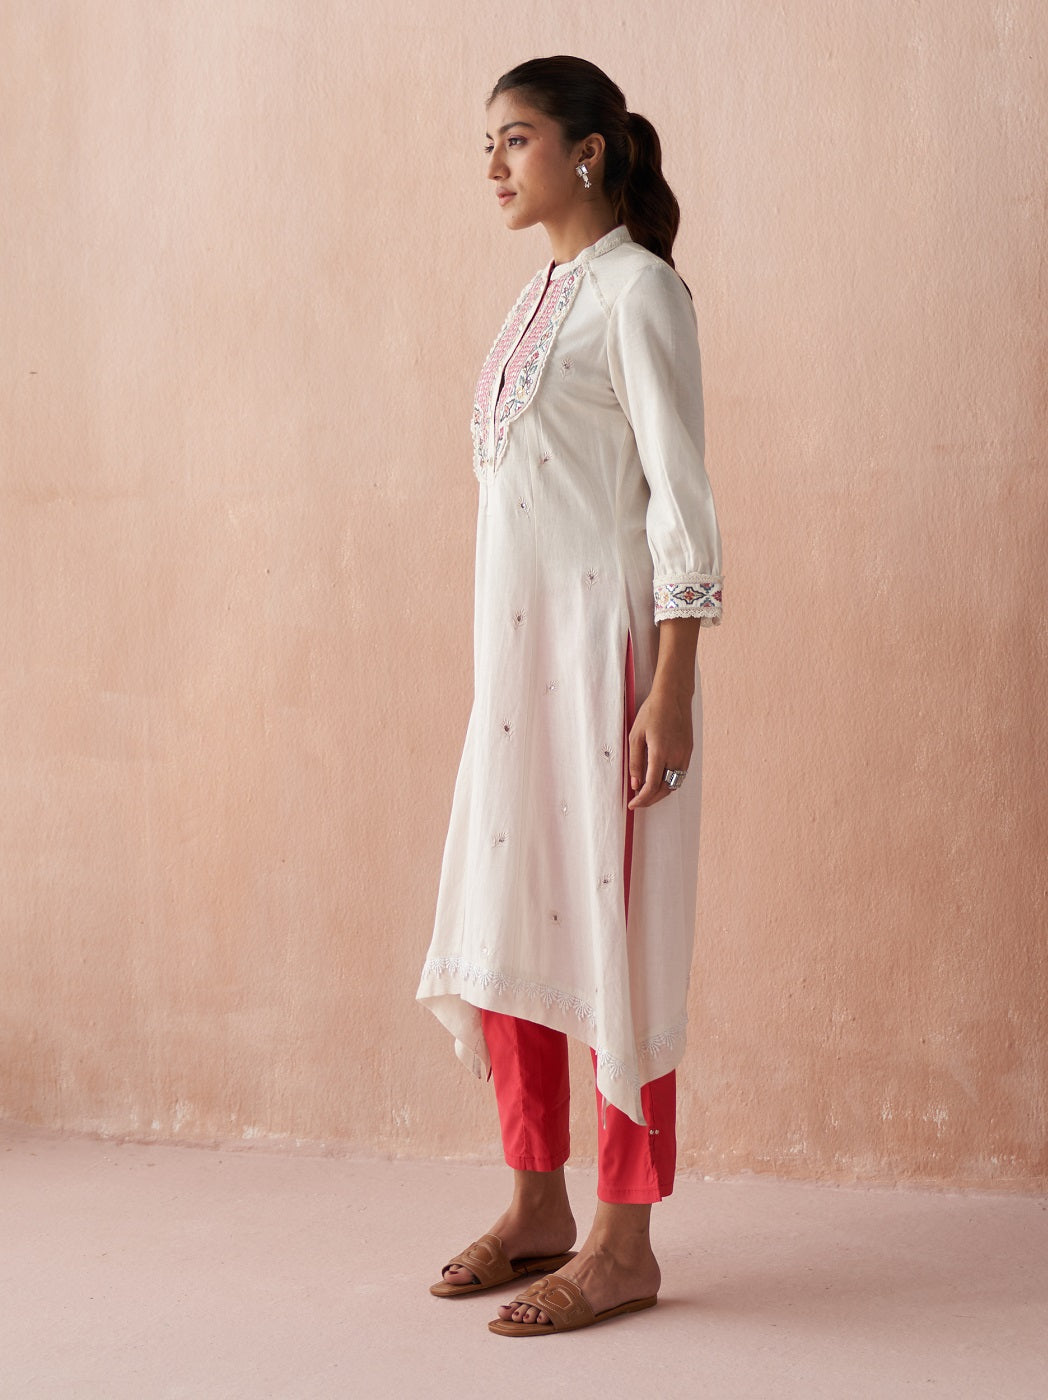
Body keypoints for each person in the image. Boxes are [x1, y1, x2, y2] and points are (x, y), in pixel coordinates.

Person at [416, 55, 723, 1337]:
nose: (493, 165)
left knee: (613, 940)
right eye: (487, 143)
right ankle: (536, 1199)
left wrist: (671, 690)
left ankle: (623, 1239)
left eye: (516, 138)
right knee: (511, 920)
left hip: (606, 665)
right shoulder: (536, 295)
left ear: (586, 151)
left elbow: (682, 505)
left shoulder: (637, 293)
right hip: (514, 677)